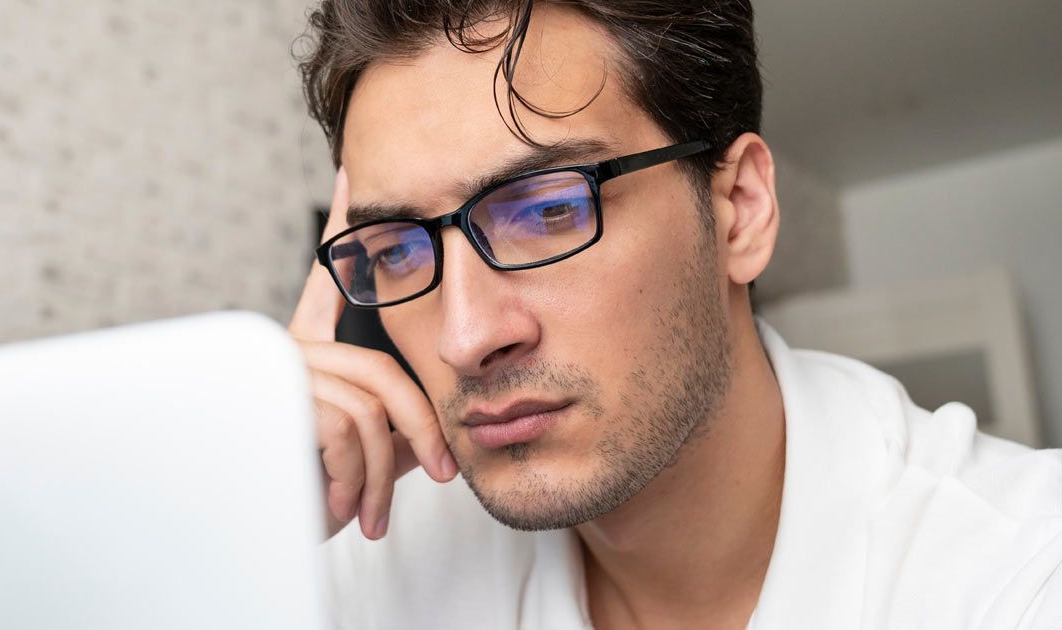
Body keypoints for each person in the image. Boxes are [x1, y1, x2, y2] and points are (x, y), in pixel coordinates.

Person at [287, 1, 1062, 628]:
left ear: (740, 210)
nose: (465, 338)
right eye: (394, 251)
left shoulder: (1021, 574)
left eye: (551, 210)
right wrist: (242, 527)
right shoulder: (359, 564)